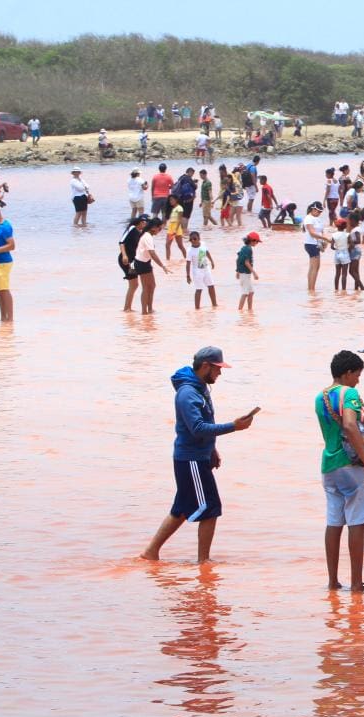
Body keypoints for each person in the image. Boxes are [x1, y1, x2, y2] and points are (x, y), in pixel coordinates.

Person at [141, 347, 257, 562]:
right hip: (191, 459)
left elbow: (203, 425)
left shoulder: (200, 388)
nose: (220, 374)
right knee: (211, 508)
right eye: (217, 369)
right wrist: (234, 426)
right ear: (205, 366)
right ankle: (204, 561)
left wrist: (211, 449)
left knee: (181, 510)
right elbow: (197, 428)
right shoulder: (188, 393)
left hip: (195, 457)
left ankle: (150, 552)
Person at [316, 350, 364, 591]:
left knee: (334, 522)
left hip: (328, 463)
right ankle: (355, 583)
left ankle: (332, 581)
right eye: (357, 375)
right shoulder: (348, 393)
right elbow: (351, 425)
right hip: (350, 464)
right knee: (356, 522)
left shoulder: (320, 397)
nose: (358, 381)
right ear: (347, 373)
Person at [133, 217, 170, 315]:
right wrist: (163, 266)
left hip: (145, 262)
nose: (160, 231)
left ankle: (150, 309)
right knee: (146, 287)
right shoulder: (147, 236)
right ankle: (144, 312)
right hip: (141, 263)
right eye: (159, 229)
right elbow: (152, 254)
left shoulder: (148, 235)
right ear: (154, 227)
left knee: (152, 286)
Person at [117, 214, 148, 313]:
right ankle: (127, 308)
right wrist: (124, 255)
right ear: (141, 222)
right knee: (134, 284)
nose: (146, 224)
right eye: (145, 222)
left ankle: (127, 307)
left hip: (133, 261)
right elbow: (122, 242)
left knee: (134, 284)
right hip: (125, 259)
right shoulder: (132, 228)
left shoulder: (140, 232)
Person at [186, 230, 218, 309]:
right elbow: (188, 263)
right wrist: (188, 275)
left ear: (199, 238)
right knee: (199, 289)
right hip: (197, 271)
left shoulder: (203, 244)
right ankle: (197, 308)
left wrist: (212, 261)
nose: (193, 241)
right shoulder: (190, 250)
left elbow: (207, 252)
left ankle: (214, 305)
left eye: (194, 239)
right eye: (191, 240)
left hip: (205, 267)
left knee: (211, 286)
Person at [304, 202, 331, 291]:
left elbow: (322, 230)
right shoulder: (308, 218)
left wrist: (324, 241)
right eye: (318, 211)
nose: (319, 213)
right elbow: (312, 233)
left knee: (313, 267)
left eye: (320, 212)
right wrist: (326, 239)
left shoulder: (318, 219)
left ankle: (310, 288)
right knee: (315, 267)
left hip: (317, 243)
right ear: (313, 209)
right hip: (311, 244)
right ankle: (311, 289)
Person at [235, 232, 260, 311]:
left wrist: (237, 271)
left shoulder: (244, 248)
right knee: (245, 293)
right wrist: (254, 273)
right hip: (245, 274)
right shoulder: (249, 249)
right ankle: (239, 310)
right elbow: (246, 262)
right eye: (257, 242)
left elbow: (238, 259)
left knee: (251, 292)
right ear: (253, 240)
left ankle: (250, 310)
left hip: (244, 274)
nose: (257, 243)